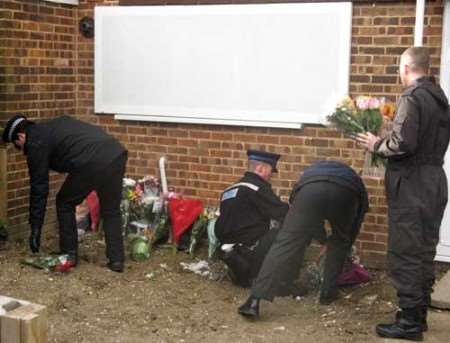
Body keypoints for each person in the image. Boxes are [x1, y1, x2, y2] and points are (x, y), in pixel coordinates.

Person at [356, 47, 450, 341]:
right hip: (435, 179)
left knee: (406, 252)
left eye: (400, 68)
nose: (399, 73)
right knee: (424, 249)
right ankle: (417, 314)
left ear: (407, 67)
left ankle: (409, 323)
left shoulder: (412, 96)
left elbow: (402, 144)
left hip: (412, 183)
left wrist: (377, 144)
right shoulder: (440, 98)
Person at [238, 160, 368, 317]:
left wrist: (322, 239)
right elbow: (352, 226)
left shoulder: (310, 174)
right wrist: (337, 242)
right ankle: (327, 294)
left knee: (285, 242)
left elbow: (307, 215)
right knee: (340, 242)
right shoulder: (356, 183)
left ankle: (253, 301)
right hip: (345, 193)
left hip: (309, 191)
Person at [2, 115, 128, 272]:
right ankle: (116, 260)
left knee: (64, 202)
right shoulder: (52, 127)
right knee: (111, 209)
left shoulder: (35, 141)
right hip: (115, 153)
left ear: (21, 136)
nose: (22, 151)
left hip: (92, 160)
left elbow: (39, 188)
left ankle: (69, 254)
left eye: (18, 146)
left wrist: (35, 229)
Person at [215, 149, 291, 289]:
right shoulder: (257, 188)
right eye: (270, 171)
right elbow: (282, 212)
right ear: (260, 168)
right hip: (250, 247)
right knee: (288, 228)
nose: (271, 176)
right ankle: (277, 280)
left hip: (227, 246)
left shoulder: (229, 190)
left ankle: (241, 269)